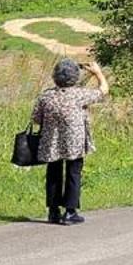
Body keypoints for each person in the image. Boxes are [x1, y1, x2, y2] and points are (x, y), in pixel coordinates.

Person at [31, 55, 107, 225]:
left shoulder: (45, 96)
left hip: (51, 141)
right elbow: (103, 90)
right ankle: (70, 212)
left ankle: (53, 211)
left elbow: (36, 119)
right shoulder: (79, 95)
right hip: (74, 141)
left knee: (53, 173)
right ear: (75, 77)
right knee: (74, 172)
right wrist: (97, 73)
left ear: (55, 77)